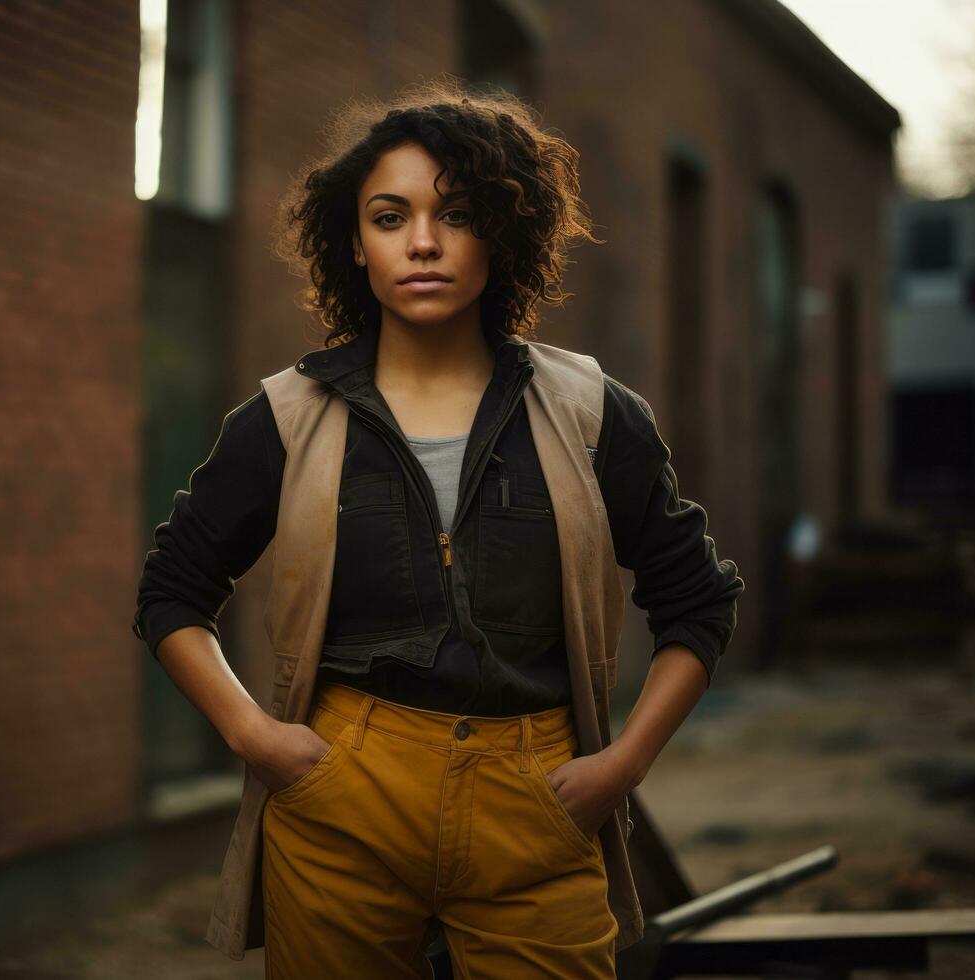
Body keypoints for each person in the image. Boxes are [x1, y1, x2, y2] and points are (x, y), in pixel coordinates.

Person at [133, 76, 744, 980]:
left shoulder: (589, 412)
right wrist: (254, 737)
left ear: (501, 234)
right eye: (389, 217)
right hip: (343, 789)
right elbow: (171, 593)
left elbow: (696, 602)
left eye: (454, 214)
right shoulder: (287, 416)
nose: (421, 242)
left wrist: (622, 764)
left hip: (535, 795)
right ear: (354, 241)